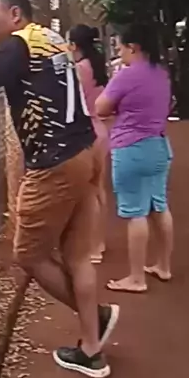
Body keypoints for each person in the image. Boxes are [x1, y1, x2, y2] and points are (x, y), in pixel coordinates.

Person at [0, 0, 120, 378]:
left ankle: (97, 318)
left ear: (15, 15)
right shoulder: (50, 38)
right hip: (84, 150)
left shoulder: (18, 44)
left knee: (29, 255)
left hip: (54, 163)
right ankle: (91, 350)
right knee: (77, 256)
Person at [95, 23, 173, 293]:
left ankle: (136, 278)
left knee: (136, 213)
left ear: (134, 47)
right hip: (159, 145)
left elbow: (100, 107)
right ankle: (163, 266)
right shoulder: (162, 73)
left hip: (131, 147)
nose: (119, 52)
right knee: (159, 207)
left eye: (121, 47)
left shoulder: (126, 75)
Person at [68, 24, 109, 264]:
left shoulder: (78, 69)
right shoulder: (98, 66)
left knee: (88, 193)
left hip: (85, 132)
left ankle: (92, 246)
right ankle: (100, 242)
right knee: (99, 189)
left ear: (74, 45)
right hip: (101, 130)